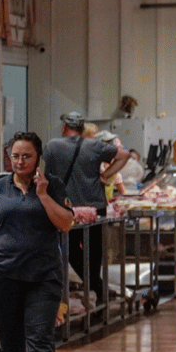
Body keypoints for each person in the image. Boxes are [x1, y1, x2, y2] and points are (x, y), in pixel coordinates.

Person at [0, 132, 74, 352]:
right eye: (15, 156)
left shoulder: (53, 186)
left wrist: (42, 194)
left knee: (39, 333)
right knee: (10, 335)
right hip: (4, 274)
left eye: (26, 156)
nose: (20, 162)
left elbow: (65, 223)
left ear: (38, 158)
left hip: (43, 274)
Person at [42, 111, 129, 302]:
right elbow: (124, 155)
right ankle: (99, 289)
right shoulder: (94, 145)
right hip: (95, 205)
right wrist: (107, 175)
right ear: (82, 128)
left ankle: (98, 288)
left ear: (64, 127)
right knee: (95, 251)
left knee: (71, 250)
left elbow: (44, 172)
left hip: (66, 207)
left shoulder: (52, 146)